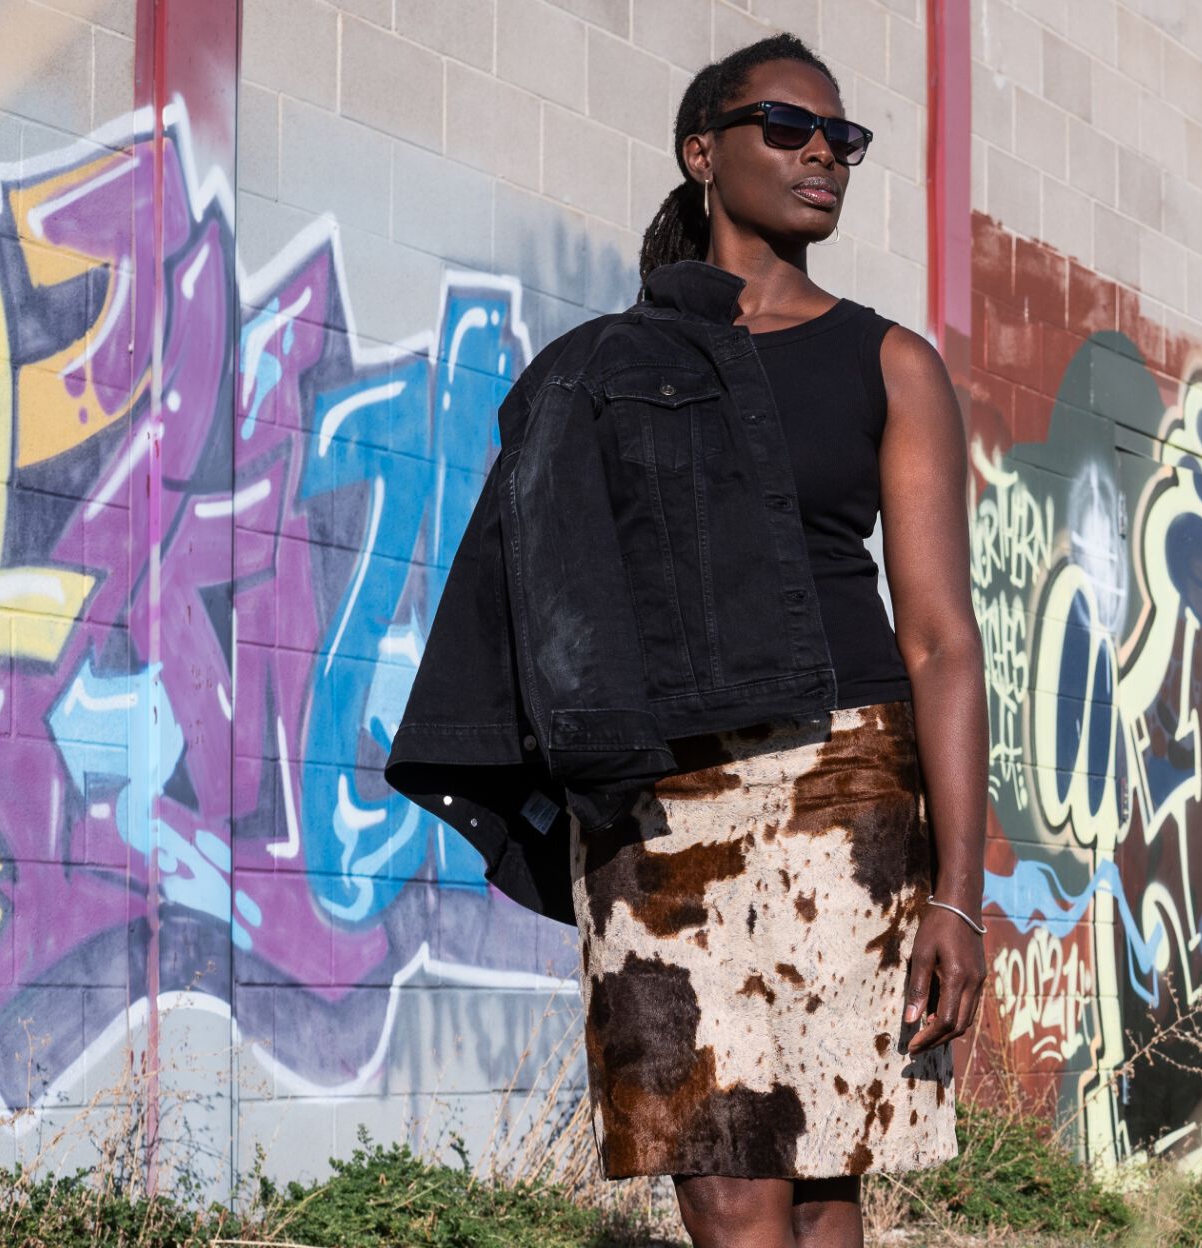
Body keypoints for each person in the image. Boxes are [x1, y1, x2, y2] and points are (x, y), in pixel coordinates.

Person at [386, 31, 989, 1248]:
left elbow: (939, 640)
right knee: (719, 1183)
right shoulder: (602, 371)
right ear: (703, 153)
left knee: (826, 1175)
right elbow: (555, 587)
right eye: (789, 126)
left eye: (843, 138)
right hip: (662, 807)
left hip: (847, 787)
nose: (823, 152)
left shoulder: (889, 362)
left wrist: (961, 900)